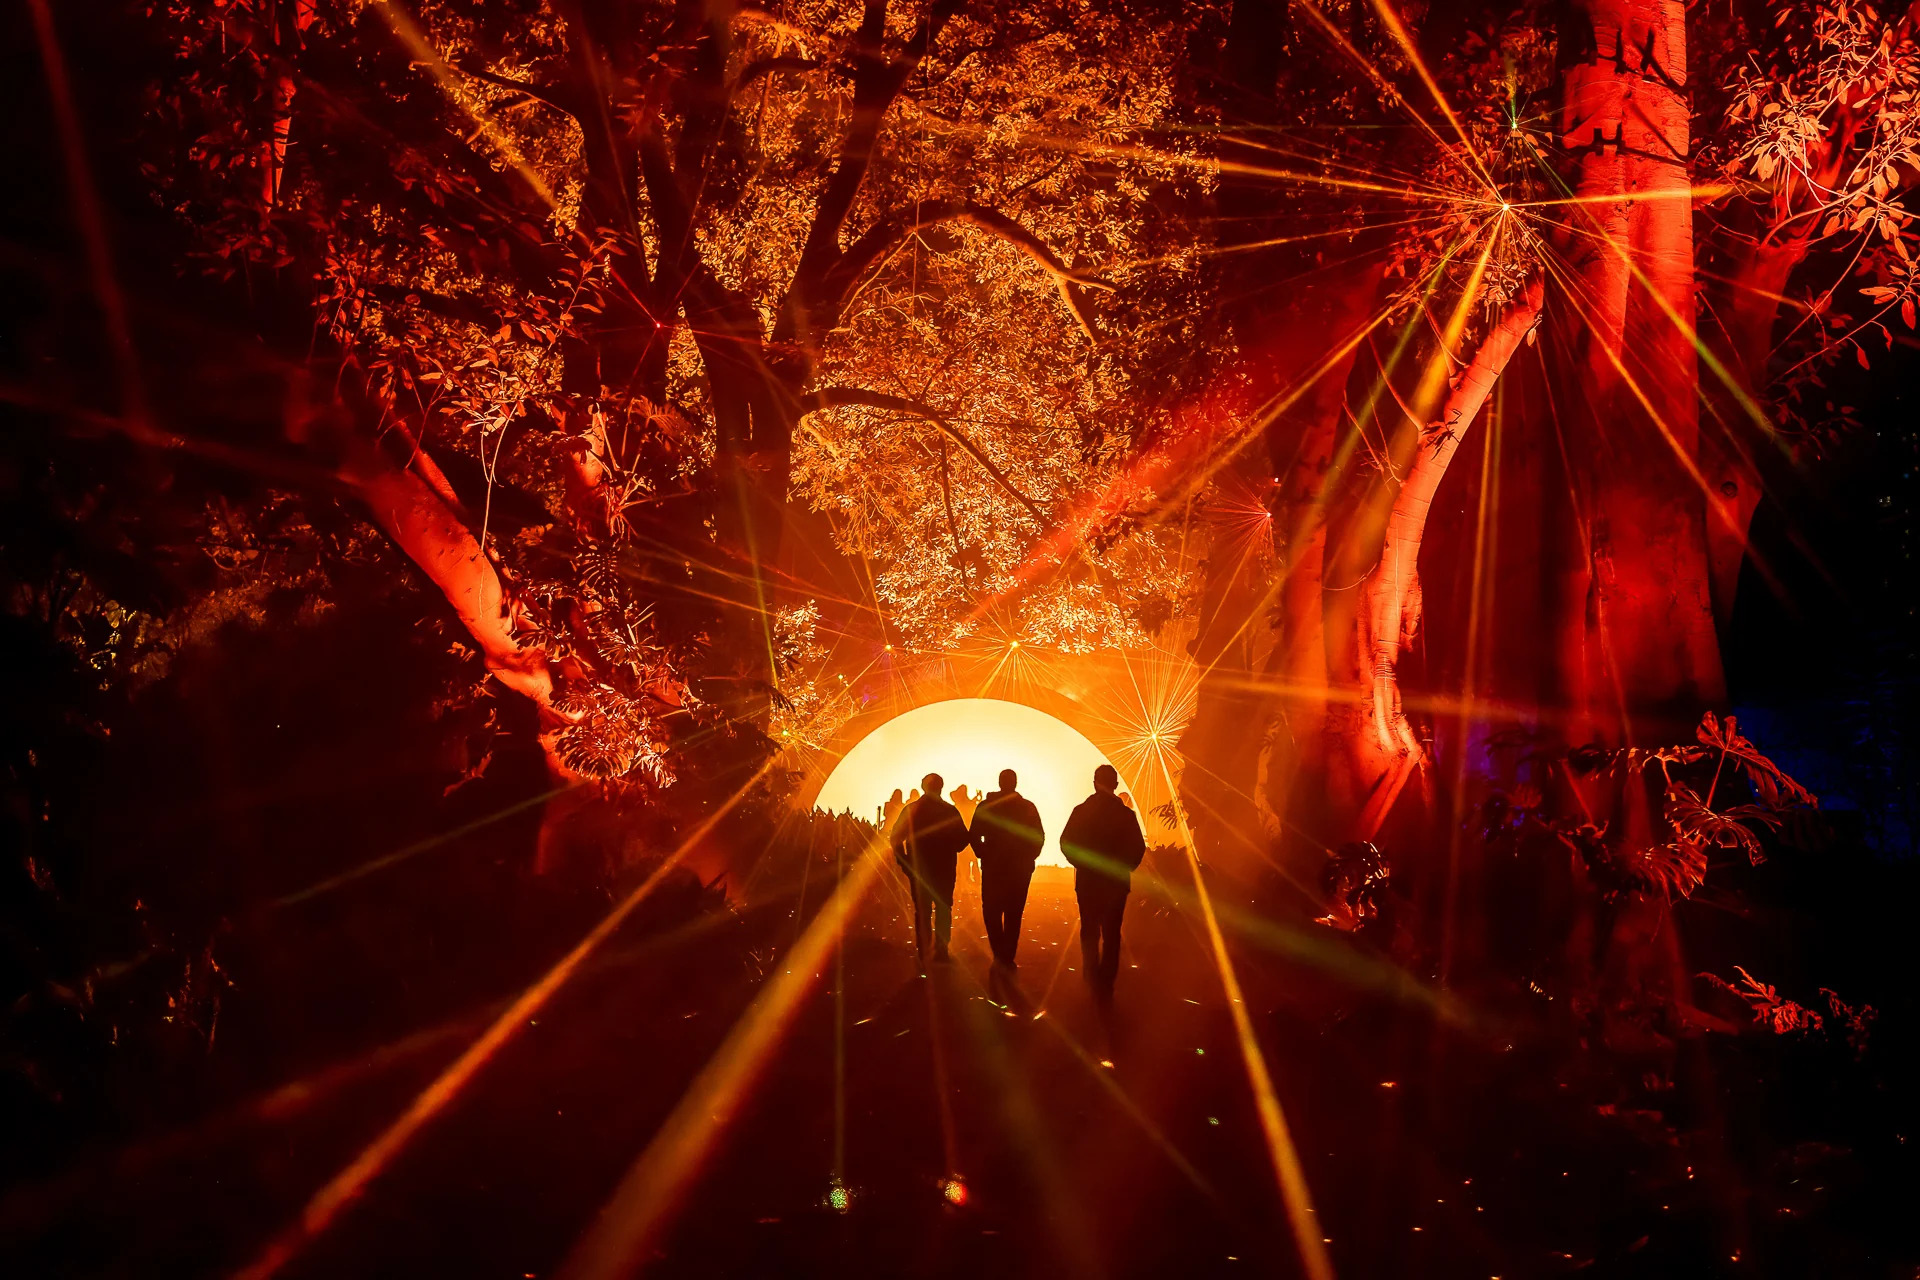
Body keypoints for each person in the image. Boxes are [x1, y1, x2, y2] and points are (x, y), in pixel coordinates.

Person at [1060, 763, 1146, 997]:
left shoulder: (1081, 811)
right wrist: (1123, 868)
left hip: (1087, 881)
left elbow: (1066, 842)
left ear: (1095, 783)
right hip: (1116, 883)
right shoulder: (1126, 815)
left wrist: (1080, 863)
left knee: (1089, 928)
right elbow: (1138, 847)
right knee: (1111, 932)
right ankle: (1106, 979)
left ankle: (1090, 973)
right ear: (1116, 785)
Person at [890, 772, 970, 966]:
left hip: (918, 868)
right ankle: (941, 950)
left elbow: (895, 838)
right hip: (944, 867)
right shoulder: (950, 811)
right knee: (944, 908)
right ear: (941, 788)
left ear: (924, 787)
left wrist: (905, 862)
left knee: (922, 911)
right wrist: (950, 847)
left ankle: (923, 950)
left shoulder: (911, 810)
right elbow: (963, 840)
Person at [970, 769, 1044, 967]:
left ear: (1000, 783)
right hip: (1019, 869)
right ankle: (1008, 955)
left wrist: (983, 853)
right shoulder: (1027, 807)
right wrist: (1029, 858)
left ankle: (999, 951)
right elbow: (1038, 836)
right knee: (1014, 913)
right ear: (1015, 783)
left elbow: (974, 834)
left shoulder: (986, 806)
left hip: (993, 867)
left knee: (991, 911)